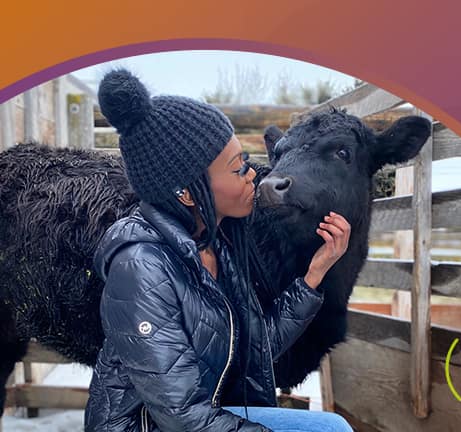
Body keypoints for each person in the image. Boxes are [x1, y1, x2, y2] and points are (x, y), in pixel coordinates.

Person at [84, 69, 353, 432]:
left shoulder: (214, 247)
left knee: (332, 427)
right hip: (151, 427)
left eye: (246, 161)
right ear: (187, 193)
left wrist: (314, 274)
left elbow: (255, 352)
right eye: (238, 168)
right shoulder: (141, 268)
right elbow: (181, 415)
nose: (252, 174)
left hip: (204, 416)